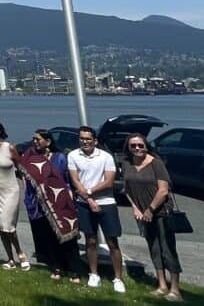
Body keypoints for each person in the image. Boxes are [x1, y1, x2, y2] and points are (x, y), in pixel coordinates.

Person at [122, 133, 183, 300]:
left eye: (140, 145)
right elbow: (126, 190)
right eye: (133, 145)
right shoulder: (127, 163)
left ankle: (175, 289)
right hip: (142, 214)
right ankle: (162, 284)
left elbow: (163, 190)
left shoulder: (156, 163)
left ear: (146, 146)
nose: (137, 148)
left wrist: (150, 209)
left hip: (161, 212)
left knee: (167, 249)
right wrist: (136, 208)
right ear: (128, 147)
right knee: (154, 248)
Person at [68, 125, 126, 293]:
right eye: (82, 139)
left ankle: (118, 278)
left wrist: (91, 193)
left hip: (106, 203)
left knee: (112, 241)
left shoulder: (106, 157)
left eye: (88, 139)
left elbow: (109, 181)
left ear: (95, 140)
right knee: (90, 240)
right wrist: (88, 199)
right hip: (84, 203)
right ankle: (94, 274)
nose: (84, 142)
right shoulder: (73, 155)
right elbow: (75, 180)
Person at [21, 130, 80, 282]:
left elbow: (66, 178)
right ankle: (56, 267)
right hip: (40, 203)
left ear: (48, 142)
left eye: (38, 139)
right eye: (33, 139)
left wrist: (69, 193)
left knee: (67, 237)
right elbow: (26, 178)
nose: (35, 142)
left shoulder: (59, 158)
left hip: (60, 201)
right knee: (49, 237)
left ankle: (74, 270)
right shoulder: (32, 158)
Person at [0, 120, 30, 270]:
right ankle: (10, 258)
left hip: (9, 190)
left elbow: (20, 166)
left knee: (7, 224)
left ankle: (20, 252)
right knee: (0, 226)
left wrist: (26, 182)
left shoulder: (9, 148)